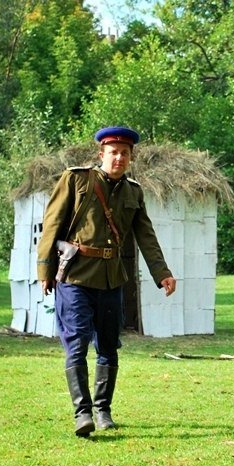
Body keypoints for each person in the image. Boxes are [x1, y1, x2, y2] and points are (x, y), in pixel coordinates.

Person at [37, 126, 176, 437]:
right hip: (75, 276)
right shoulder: (76, 179)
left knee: (109, 346)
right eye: (113, 152)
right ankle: (82, 413)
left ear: (130, 157)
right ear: (101, 154)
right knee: (77, 342)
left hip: (112, 279)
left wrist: (162, 273)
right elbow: (52, 224)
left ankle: (103, 410)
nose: (119, 158)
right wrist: (45, 270)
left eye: (124, 153)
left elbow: (146, 235)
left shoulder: (133, 192)